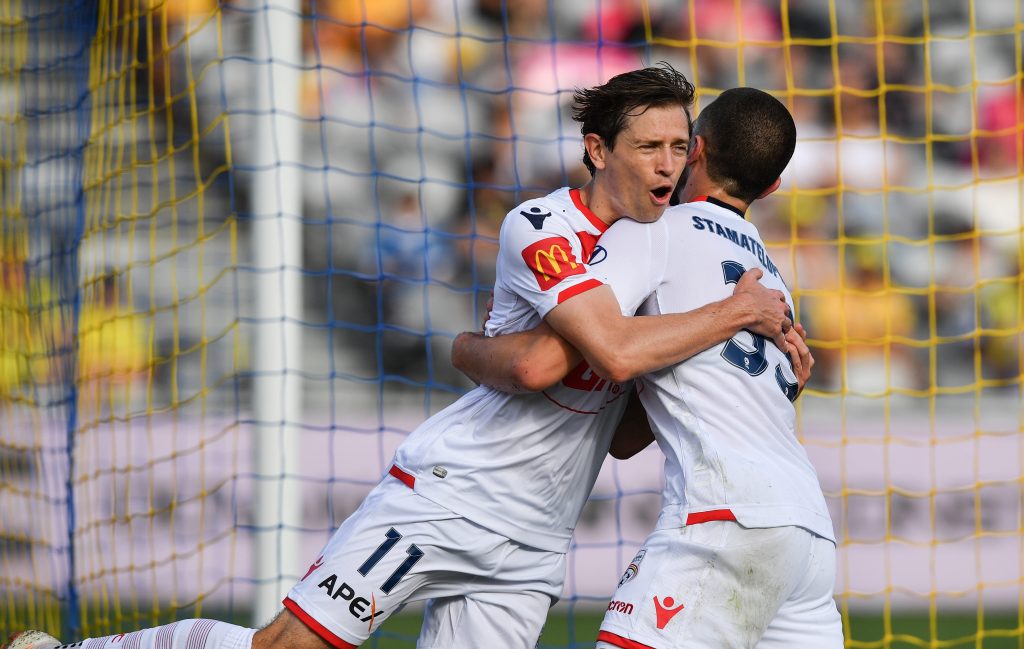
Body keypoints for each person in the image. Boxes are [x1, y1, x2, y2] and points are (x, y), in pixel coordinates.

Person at [3, 65, 794, 649]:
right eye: (647, 146)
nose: (665, 164)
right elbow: (541, 369)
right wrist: (725, 316)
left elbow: (623, 427)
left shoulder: (664, 250)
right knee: (288, 647)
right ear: (596, 149)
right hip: (455, 494)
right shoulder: (542, 224)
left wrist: (709, 351)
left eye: (675, 147)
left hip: (534, 539)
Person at [454, 88, 843, 648]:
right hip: (807, 535)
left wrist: (471, 347)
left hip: (725, 515)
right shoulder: (771, 279)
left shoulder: (654, 231)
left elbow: (589, 349)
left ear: (696, 151)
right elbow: (629, 435)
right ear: (773, 186)